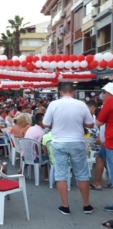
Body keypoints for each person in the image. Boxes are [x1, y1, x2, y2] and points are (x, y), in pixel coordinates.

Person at [42, 82, 94, 215]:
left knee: (61, 175)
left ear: (60, 92)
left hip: (59, 142)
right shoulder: (81, 104)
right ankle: (86, 205)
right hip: (77, 142)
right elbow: (91, 124)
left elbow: (46, 124)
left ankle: (65, 206)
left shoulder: (53, 104)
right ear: (74, 92)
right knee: (82, 174)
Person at [95, 83, 113, 223]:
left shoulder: (110, 102)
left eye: (103, 92)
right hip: (108, 143)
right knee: (100, 157)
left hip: (111, 143)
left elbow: (99, 122)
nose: (102, 94)